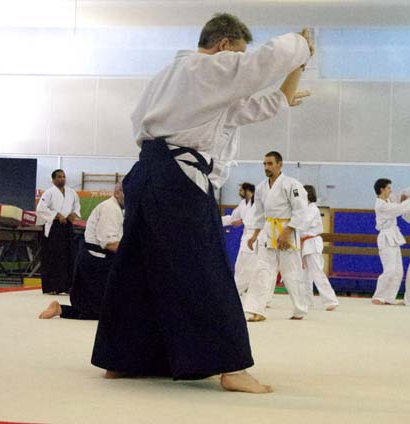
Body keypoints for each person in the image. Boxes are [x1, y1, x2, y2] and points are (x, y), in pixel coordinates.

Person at [91, 13, 314, 394]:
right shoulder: (205, 68)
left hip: (146, 175)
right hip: (177, 181)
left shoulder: (170, 78)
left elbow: (252, 108)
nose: (238, 61)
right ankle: (231, 366)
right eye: (237, 53)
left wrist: (294, 77)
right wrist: (301, 44)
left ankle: (122, 358)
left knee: (137, 268)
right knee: (206, 268)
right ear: (224, 45)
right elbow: (260, 64)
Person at [39, 183, 124, 320]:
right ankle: (60, 308)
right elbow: (109, 243)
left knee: (107, 309)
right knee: (100, 313)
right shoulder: (110, 208)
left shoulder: (120, 209)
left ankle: (60, 309)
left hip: (100, 259)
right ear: (117, 193)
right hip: (95, 262)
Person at [244, 151, 309, 321]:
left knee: (291, 272)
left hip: (287, 230)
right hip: (268, 231)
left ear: (280, 164)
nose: (266, 167)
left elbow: (300, 210)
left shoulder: (291, 184)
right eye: (264, 164)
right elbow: (259, 213)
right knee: (262, 270)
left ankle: (300, 309)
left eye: (270, 163)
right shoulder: (261, 187)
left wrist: (287, 232)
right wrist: (255, 234)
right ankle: (257, 310)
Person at [371, 179, 410, 305]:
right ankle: (378, 296)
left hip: (393, 236)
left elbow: (400, 196)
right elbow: (400, 208)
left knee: (398, 271)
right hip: (386, 237)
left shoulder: (388, 200)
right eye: (388, 188)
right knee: (389, 270)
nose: (391, 190)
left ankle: (389, 297)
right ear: (382, 189)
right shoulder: (382, 205)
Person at [36, 169, 81, 294]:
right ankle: (51, 287)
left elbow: (77, 206)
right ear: (53, 180)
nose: (62, 179)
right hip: (54, 227)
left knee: (68, 256)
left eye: (63, 176)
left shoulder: (72, 192)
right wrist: (57, 215)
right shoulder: (49, 193)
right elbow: (41, 209)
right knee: (53, 256)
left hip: (67, 226)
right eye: (59, 177)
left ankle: (67, 286)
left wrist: (74, 214)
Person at [301, 185, 339, 311]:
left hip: (312, 243)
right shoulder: (303, 208)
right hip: (304, 245)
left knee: (317, 273)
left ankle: (331, 300)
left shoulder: (313, 209)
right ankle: (307, 302)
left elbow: (303, 224)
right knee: (304, 276)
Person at [221, 182, 258, 294]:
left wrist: (242, 221)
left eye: (241, 190)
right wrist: (218, 221)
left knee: (248, 267)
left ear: (248, 191)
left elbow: (258, 219)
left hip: (255, 236)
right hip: (245, 236)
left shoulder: (258, 202)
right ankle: (236, 290)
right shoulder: (243, 204)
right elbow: (233, 218)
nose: (239, 193)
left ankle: (237, 291)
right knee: (239, 265)